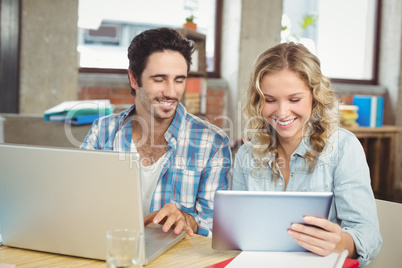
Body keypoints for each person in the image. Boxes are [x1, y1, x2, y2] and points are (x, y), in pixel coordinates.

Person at [232, 42, 382, 266]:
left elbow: (369, 236)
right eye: (270, 100)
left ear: (315, 96)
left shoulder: (343, 148)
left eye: (294, 99)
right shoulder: (246, 154)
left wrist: (341, 242)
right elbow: (236, 231)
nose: (282, 113)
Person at [81, 27, 232, 237]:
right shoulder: (103, 132)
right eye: (159, 79)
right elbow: (77, 203)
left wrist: (188, 220)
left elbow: (218, 226)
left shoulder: (212, 143)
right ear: (134, 79)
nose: (171, 92)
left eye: (179, 80)